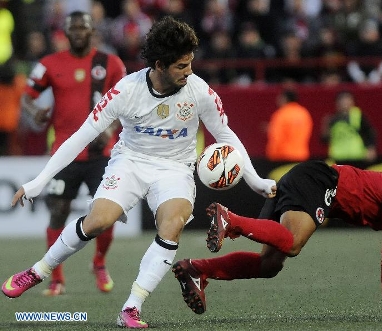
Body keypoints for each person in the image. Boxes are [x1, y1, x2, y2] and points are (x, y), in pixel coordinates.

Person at [2, 15, 275, 329]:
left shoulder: (199, 91)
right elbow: (80, 136)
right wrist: (39, 181)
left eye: (190, 64)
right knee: (98, 221)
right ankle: (39, 270)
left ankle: (131, 307)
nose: (189, 73)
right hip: (130, 162)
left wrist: (254, 180)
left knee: (171, 225)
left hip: (176, 169)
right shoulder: (126, 91)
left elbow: (226, 136)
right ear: (159, 65)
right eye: (181, 67)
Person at [172, 160, 382, 322]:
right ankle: (232, 220)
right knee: (293, 244)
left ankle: (198, 270)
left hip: (310, 183)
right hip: (320, 182)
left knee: (270, 264)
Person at [20, 11, 126, 297]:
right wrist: (35, 112)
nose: (78, 31)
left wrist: (113, 125)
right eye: (73, 28)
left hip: (102, 153)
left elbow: (127, 102)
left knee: (106, 215)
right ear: (65, 33)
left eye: (83, 27)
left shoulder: (110, 63)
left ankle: (99, 262)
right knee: (58, 213)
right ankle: (56, 279)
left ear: (93, 31)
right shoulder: (48, 65)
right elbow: (26, 97)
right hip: (64, 154)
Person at [320, 91, 377, 163]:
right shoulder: (331, 119)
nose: (344, 103)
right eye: (342, 100)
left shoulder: (358, 116)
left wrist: (371, 148)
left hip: (357, 156)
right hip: (338, 156)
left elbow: (369, 133)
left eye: (347, 100)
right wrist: (325, 127)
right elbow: (325, 139)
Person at [265, 89, 313, 162]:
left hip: (282, 156)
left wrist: (272, 155)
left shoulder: (281, 114)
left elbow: (277, 136)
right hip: (301, 155)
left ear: (285, 98)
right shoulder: (304, 113)